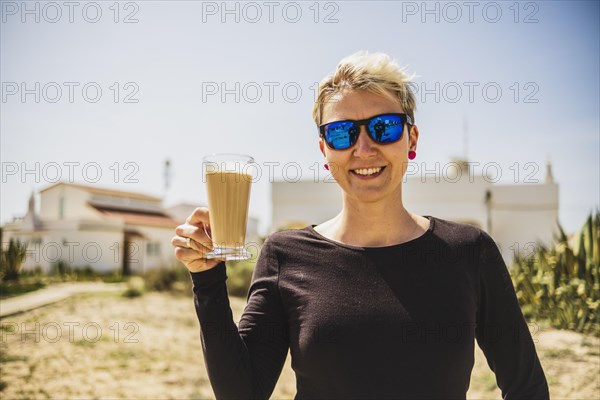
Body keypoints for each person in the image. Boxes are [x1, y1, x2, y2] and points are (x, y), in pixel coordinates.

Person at [172, 51, 550, 399]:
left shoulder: (469, 251)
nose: (364, 148)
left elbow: (526, 387)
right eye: (341, 133)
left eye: (384, 128)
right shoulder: (285, 255)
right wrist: (207, 280)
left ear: (411, 138)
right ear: (325, 150)